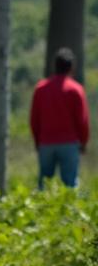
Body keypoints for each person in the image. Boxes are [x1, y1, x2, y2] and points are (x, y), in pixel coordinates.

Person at [30, 48, 89, 188]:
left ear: (55, 66)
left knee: (44, 185)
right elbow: (82, 120)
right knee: (70, 185)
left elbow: (34, 119)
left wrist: (38, 141)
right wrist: (83, 142)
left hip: (46, 143)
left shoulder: (41, 88)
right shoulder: (75, 89)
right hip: (69, 143)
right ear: (71, 67)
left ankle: (41, 209)